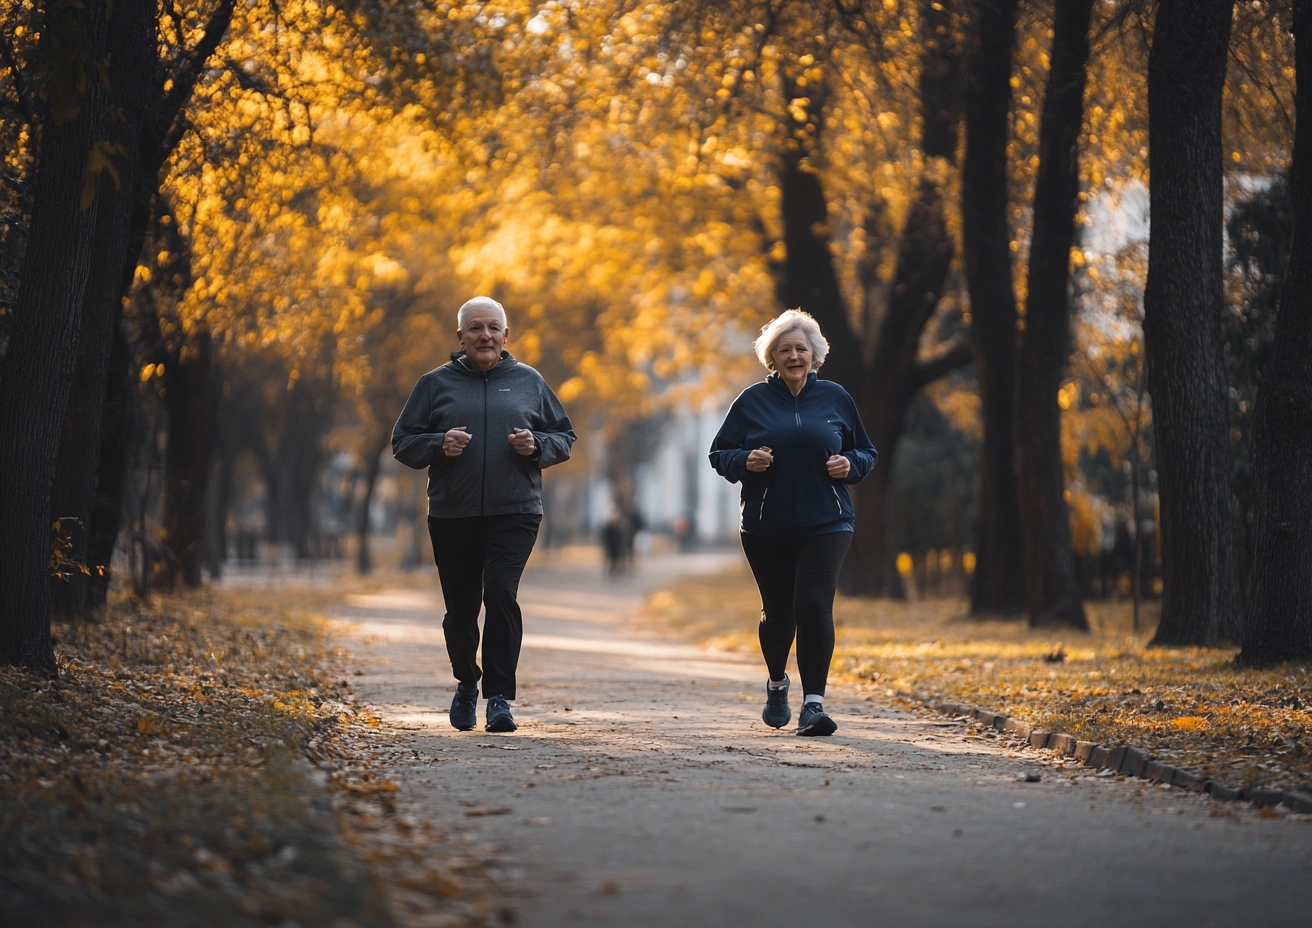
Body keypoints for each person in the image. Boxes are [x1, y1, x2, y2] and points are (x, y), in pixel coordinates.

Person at [393, 296, 577, 733]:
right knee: (460, 609)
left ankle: (498, 697)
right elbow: (403, 443)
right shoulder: (435, 385)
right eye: (475, 328)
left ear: (506, 335)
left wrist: (537, 447)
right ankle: (466, 681)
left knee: (499, 593)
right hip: (453, 513)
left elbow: (564, 436)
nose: (485, 335)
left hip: (515, 511)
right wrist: (439, 443)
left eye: (494, 327)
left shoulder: (529, 381)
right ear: (460, 337)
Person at [709, 309, 878, 736]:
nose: (794, 356)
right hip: (768, 526)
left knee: (815, 607)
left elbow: (866, 452)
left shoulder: (837, 398)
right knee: (780, 613)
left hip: (828, 521)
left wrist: (849, 464)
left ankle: (814, 705)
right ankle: (777, 682)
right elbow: (719, 454)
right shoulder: (752, 401)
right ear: (773, 357)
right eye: (784, 349)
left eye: (801, 348)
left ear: (814, 355)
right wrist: (745, 460)